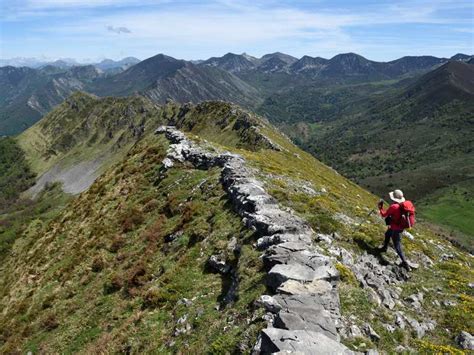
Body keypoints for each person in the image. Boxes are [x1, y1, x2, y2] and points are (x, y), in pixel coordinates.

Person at [378, 189, 410, 270]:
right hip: (398, 227)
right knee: (387, 234)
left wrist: (380, 208)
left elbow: (384, 215)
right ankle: (384, 248)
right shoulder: (402, 205)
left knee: (397, 246)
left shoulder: (394, 206)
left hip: (396, 228)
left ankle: (405, 263)